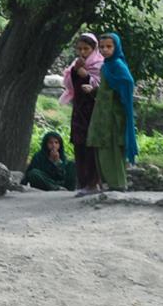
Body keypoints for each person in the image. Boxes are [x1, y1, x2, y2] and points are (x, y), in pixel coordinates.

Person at [87, 33, 138, 191]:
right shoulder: (107, 66)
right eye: (102, 47)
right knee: (104, 148)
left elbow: (127, 83)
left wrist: (114, 94)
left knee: (114, 149)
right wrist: (95, 90)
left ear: (116, 47)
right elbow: (106, 88)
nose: (105, 50)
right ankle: (110, 183)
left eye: (109, 46)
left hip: (114, 116)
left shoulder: (117, 64)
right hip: (103, 115)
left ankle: (118, 185)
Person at [59, 33, 103, 196]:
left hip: (93, 111)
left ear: (94, 49)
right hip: (79, 111)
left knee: (91, 145)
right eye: (80, 49)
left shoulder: (100, 65)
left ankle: (93, 183)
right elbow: (69, 85)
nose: (83, 52)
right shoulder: (75, 65)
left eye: (86, 49)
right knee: (79, 144)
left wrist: (88, 77)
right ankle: (83, 183)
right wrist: (75, 71)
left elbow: (103, 86)